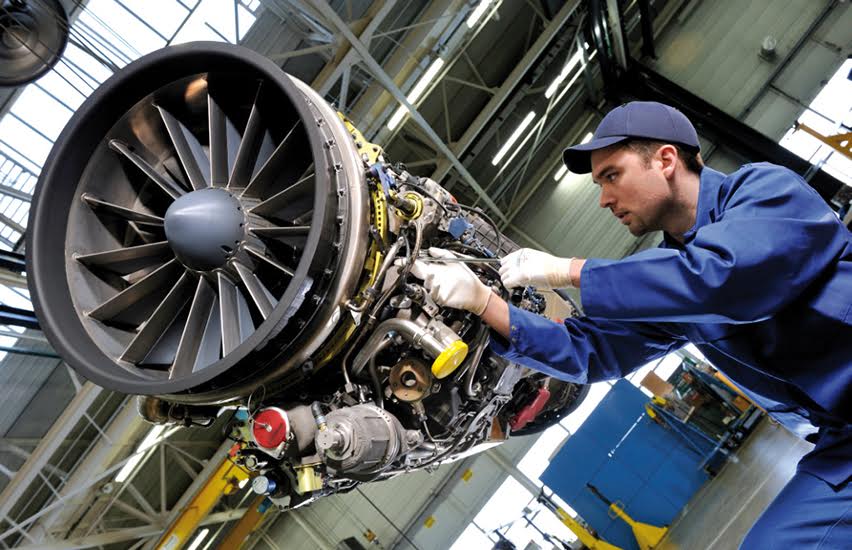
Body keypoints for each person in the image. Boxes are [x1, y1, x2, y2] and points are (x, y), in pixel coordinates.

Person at [410, 101, 852, 547]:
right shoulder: (666, 281)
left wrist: (571, 270)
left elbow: (725, 278)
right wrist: (484, 302)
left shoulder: (765, 191)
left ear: (665, 160)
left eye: (612, 176)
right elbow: (591, 351)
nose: (603, 199)